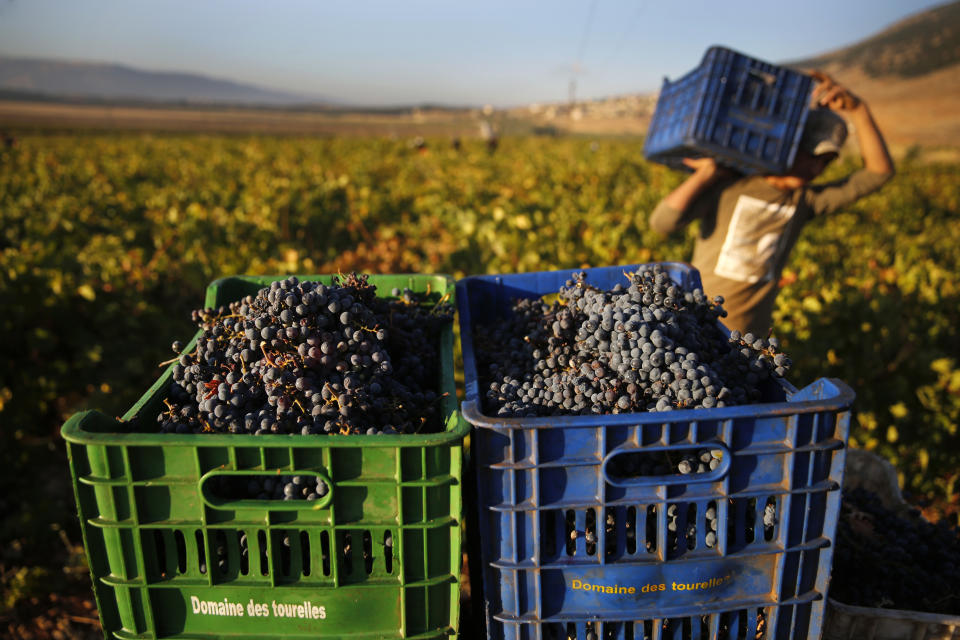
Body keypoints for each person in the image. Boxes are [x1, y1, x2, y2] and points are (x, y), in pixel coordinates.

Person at [648, 71, 895, 336]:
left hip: (748, 340)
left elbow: (878, 173)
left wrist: (858, 110)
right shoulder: (732, 184)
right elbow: (662, 222)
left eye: (825, 161)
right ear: (787, 146)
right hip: (696, 324)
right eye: (810, 155)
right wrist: (707, 173)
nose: (815, 167)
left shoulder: (806, 201)